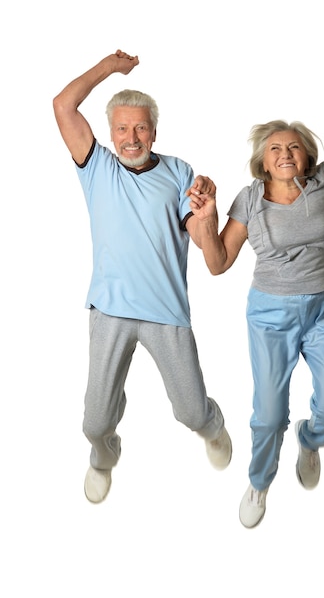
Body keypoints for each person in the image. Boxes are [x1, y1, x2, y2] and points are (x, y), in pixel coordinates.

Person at [189, 45, 324, 528]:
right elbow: (218, 262)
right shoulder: (250, 201)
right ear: (262, 163)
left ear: (306, 156)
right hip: (271, 315)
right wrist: (204, 223)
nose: (285, 153)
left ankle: (310, 442)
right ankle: (261, 480)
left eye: (293, 147)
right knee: (267, 415)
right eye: (275, 149)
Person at [53, 49, 232, 504]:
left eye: (141, 127)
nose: (131, 137)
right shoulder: (98, 167)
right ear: (110, 132)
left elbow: (209, 252)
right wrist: (108, 68)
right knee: (94, 422)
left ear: (155, 130)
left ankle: (213, 428)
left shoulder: (178, 173)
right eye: (121, 128)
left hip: (165, 314)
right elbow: (62, 105)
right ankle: (104, 457)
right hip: (109, 311)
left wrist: (207, 215)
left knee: (192, 413)